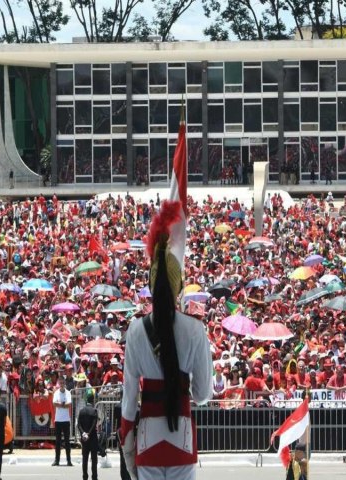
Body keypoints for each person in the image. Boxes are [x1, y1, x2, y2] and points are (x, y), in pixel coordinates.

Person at [120, 200, 213, 480]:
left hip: (147, 444)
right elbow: (202, 394)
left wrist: (127, 443)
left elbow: (128, 400)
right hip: (181, 444)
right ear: (179, 286)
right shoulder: (195, 330)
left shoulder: (135, 331)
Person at [78, 391, 99, 480]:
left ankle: (85, 477)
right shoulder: (94, 411)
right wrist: (89, 434)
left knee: (85, 459)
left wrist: (83, 433)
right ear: (93, 400)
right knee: (94, 460)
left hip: (84, 439)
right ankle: (94, 477)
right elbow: (94, 425)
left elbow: (78, 425)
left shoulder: (81, 411)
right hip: (93, 438)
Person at [52, 376, 73, 467]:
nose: (62, 385)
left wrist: (60, 404)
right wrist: (63, 404)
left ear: (65, 383)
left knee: (67, 441)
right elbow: (54, 403)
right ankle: (57, 460)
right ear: (58, 384)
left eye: (63, 383)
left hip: (66, 420)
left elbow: (69, 404)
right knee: (58, 441)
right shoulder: (56, 393)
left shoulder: (68, 393)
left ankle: (69, 460)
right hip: (58, 420)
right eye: (60, 383)